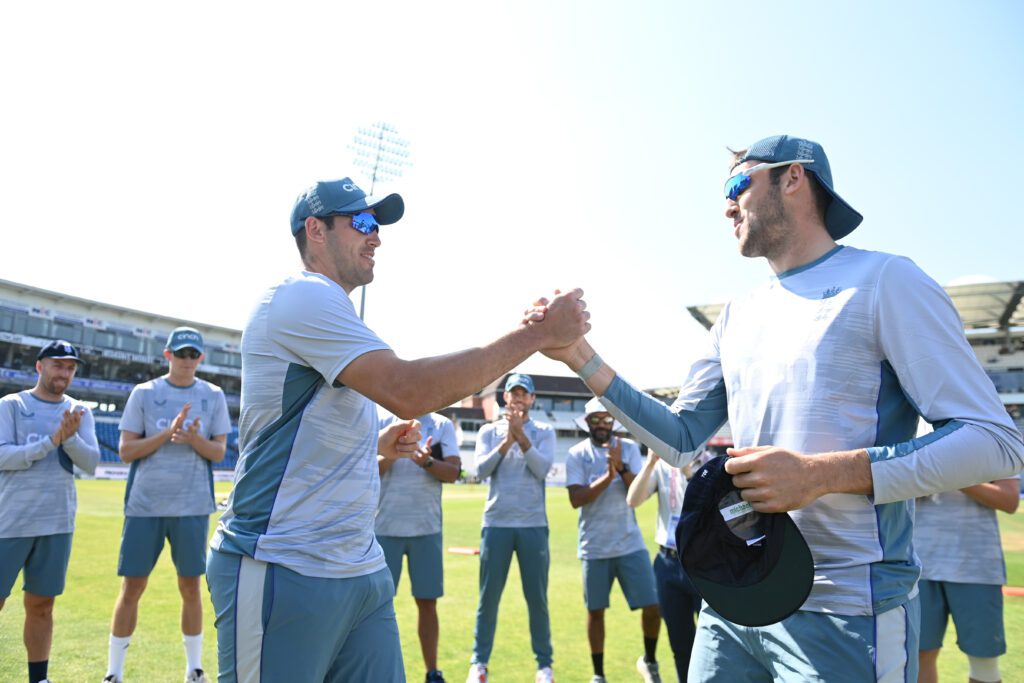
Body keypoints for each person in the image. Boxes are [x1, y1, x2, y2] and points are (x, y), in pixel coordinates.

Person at [538, 134, 1024, 682]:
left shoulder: (887, 280)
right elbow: (679, 439)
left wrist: (819, 474)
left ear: (793, 177)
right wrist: (579, 357)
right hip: (736, 593)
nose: (727, 206)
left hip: (848, 605)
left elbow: (996, 441)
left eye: (736, 185)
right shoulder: (736, 313)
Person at [206, 178, 588, 683]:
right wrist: (536, 335)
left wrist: (375, 447)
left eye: (377, 224)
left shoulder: (332, 309)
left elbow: (313, 433)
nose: (376, 236)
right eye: (362, 222)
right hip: (282, 562)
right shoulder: (300, 295)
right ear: (315, 230)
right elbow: (408, 389)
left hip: (359, 567)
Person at [103, 327, 231, 683]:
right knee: (132, 588)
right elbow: (126, 451)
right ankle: (114, 672)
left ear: (200, 358)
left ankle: (194, 669)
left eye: (193, 354)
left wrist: (192, 438)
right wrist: (167, 433)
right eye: (181, 353)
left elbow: (218, 452)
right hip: (145, 506)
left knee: (191, 588)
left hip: (193, 506)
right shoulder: (145, 392)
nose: (187, 360)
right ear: (167, 355)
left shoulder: (213, 395)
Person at [0, 340, 99, 683]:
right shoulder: (11, 405)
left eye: (70, 367)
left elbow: (91, 463)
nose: (64, 373)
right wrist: (51, 441)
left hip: (57, 523)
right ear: (39, 366)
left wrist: (69, 438)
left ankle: (38, 679)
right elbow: (2, 456)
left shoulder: (79, 411)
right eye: (58, 365)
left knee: (42, 606)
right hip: (10, 522)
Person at [565, 397, 662, 683]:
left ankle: (650, 660)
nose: (602, 425)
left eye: (606, 419)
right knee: (595, 611)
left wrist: (620, 469)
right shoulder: (576, 454)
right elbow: (576, 498)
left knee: (653, 606)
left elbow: (640, 494)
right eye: (596, 419)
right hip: (594, 547)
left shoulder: (629, 448)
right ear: (587, 423)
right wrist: (607, 477)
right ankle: (598, 674)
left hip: (630, 543)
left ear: (613, 422)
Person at [467, 373, 555, 683]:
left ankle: (544, 666)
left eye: (523, 393)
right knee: (488, 598)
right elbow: (480, 471)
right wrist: (508, 439)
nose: (518, 398)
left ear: (532, 399)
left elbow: (542, 470)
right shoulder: (488, 431)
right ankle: (479, 663)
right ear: (505, 397)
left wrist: (522, 437)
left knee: (537, 599)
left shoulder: (544, 431)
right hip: (497, 523)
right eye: (513, 393)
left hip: (533, 524)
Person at [376, 411, 462, 683]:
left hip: (426, 528)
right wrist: (394, 452)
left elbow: (453, 473)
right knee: (376, 607)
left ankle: (432, 672)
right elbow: (366, 471)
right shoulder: (381, 420)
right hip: (384, 528)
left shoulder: (441, 424)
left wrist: (427, 461)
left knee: (427, 602)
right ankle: (377, 673)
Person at [914, 473, 1019, 683]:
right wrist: (925, 478)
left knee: (984, 662)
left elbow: (1009, 500)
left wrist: (954, 475)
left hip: (976, 565)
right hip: (919, 564)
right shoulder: (910, 446)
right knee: (918, 656)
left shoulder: (994, 449)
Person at [626, 448, 706, 682]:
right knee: (680, 645)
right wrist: (650, 462)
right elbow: (633, 500)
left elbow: (710, 510)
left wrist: (689, 474)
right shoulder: (662, 466)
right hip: (668, 562)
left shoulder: (711, 463)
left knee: (712, 643)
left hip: (702, 565)